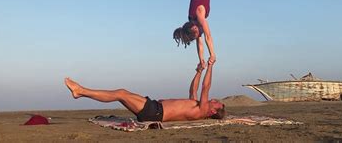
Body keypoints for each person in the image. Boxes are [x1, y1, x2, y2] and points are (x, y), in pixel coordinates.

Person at [64, 59, 225, 122]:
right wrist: (198, 71)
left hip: (155, 111)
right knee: (121, 95)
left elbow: (205, 87)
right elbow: (194, 90)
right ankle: (81, 92)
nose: (215, 100)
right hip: (154, 109)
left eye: (217, 104)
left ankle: (80, 91)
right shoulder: (198, 107)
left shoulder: (203, 110)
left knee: (121, 93)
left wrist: (210, 66)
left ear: (212, 112)